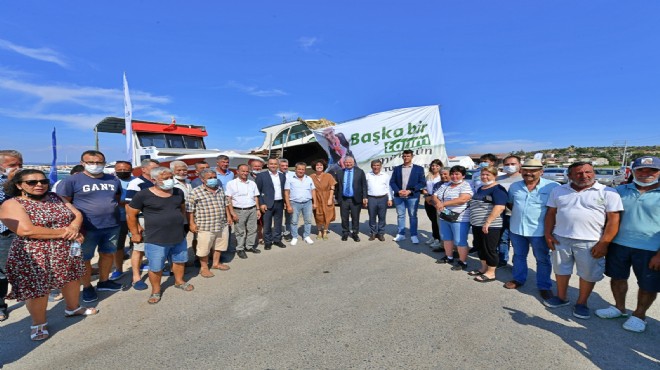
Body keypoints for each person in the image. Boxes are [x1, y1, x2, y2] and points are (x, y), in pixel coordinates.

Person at [0, 169, 97, 340]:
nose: (39, 185)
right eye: (32, 182)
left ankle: (73, 308)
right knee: (38, 288)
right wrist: (66, 232)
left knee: (71, 278)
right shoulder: (11, 204)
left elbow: (77, 214)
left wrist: (74, 228)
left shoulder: (55, 197)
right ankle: (38, 323)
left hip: (66, 249)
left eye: (43, 181)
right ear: (19, 185)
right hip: (33, 253)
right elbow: (26, 230)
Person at [544, 162, 623, 319]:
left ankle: (582, 303)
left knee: (588, 274)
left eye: (588, 172)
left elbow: (614, 220)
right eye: (579, 173)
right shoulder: (558, 190)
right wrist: (548, 234)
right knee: (561, 270)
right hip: (561, 238)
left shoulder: (608, 192)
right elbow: (551, 214)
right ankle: (561, 297)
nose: (585, 176)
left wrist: (604, 243)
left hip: (591, 241)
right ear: (570, 176)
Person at [595, 156, 660, 332]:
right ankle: (619, 308)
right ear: (633, 171)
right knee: (617, 278)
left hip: (651, 249)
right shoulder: (619, 190)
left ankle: (639, 315)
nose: (646, 174)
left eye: (652, 170)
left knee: (648, 285)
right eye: (641, 170)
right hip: (619, 244)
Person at [57, 150, 123, 303]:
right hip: (86, 229)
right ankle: (87, 287)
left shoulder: (113, 180)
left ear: (104, 163)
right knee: (84, 259)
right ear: (82, 163)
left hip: (111, 225)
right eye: (91, 162)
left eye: (99, 162)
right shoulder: (71, 181)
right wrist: (72, 227)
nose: (95, 165)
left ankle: (104, 281)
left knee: (107, 254)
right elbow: (64, 204)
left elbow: (116, 198)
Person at [127, 167, 193, 304]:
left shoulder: (178, 192)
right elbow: (131, 214)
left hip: (178, 236)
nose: (170, 181)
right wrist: (134, 233)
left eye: (171, 177)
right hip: (156, 239)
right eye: (165, 179)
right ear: (153, 180)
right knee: (156, 266)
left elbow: (181, 208)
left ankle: (179, 281)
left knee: (179, 261)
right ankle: (156, 290)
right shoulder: (143, 195)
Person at [505, 159, 559, 302]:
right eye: (526, 170)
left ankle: (544, 286)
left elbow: (557, 209)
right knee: (518, 256)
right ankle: (518, 279)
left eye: (533, 170)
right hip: (517, 229)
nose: (529, 173)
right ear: (521, 171)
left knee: (542, 259)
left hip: (540, 231)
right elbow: (511, 204)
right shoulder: (515, 186)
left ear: (541, 171)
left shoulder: (553, 186)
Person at [187, 169, 232, 278]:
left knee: (219, 245)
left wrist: (229, 216)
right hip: (205, 226)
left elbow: (226, 203)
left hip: (221, 224)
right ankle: (204, 268)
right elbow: (189, 210)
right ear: (202, 179)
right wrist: (191, 223)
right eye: (210, 178)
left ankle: (216, 263)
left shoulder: (220, 189)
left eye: (214, 177)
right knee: (204, 248)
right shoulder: (195, 192)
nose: (213, 179)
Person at [466, 166, 508, 282]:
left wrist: (488, 222)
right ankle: (483, 268)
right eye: (482, 175)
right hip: (477, 224)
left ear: (495, 176)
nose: (484, 177)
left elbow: (499, 207)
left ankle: (491, 273)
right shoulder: (481, 188)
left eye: (487, 175)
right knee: (480, 247)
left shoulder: (498, 189)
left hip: (491, 225)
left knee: (489, 249)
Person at [124, 159, 160, 290]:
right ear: (144, 169)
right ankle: (136, 277)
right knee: (138, 249)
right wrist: (135, 227)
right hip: (141, 219)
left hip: (156, 220)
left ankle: (155, 270)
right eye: (154, 168)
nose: (157, 170)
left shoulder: (157, 181)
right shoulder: (136, 183)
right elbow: (128, 206)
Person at [433, 165, 473, 271]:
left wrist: (444, 203)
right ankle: (449, 257)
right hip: (444, 216)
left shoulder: (466, 185)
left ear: (463, 175)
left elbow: (463, 199)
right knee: (447, 239)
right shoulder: (445, 185)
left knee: (460, 241)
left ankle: (462, 261)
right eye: (452, 174)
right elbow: (435, 196)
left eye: (457, 174)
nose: (454, 176)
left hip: (459, 219)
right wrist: (438, 204)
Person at [0, 149, 23, 322]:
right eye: (12, 165)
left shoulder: (21, 181)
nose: (17, 168)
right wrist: (9, 183)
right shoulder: (8, 183)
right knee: (3, 272)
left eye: (20, 165)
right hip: (4, 233)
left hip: (21, 230)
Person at [389, 150, 427, 244]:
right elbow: (392, 182)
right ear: (402, 157)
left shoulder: (419, 169)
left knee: (413, 216)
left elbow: (422, 182)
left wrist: (410, 191)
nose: (406, 158)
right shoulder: (397, 168)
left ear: (412, 156)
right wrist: (398, 191)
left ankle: (414, 235)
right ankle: (401, 234)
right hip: (399, 196)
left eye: (408, 156)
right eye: (404, 156)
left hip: (412, 196)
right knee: (401, 215)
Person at [225, 164, 261, 259]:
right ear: (237, 171)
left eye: (247, 171)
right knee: (240, 231)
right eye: (243, 171)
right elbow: (228, 199)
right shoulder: (231, 184)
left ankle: (249, 246)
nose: (245, 173)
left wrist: (257, 209)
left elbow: (255, 197)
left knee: (252, 229)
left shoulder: (252, 183)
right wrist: (232, 213)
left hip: (252, 209)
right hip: (239, 210)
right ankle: (240, 248)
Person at [494, 155, 523, 268]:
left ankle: (518, 262)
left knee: (517, 241)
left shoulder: (523, 179)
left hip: (517, 214)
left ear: (519, 165)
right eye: (506, 164)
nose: (509, 166)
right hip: (501, 213)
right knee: (503, 238)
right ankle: (502, 259)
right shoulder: (498, 179)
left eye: (512, 164)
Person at [110, 161, 135, 281]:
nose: (123, 171)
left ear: (131, 169)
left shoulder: (136, 181)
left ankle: (137, 265)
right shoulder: (111, 182)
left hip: (135, 218)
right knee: (118, 246)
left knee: (136, 244)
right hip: (117, 220)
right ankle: (118, 269)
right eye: (120, 169)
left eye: (126, 169)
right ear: (115, 170)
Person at [256, 158, 287, 250]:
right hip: (266, 204)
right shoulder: (261, 176)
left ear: (278, 165)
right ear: (268, 165)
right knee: (267, 224)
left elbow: (283, 190)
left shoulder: (282, 176)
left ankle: (277, 240)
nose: (273, 165)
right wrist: (261, 203)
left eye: (275, 164)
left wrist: (285, 202)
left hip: (279, 202)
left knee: (278, 223)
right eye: (271, 164)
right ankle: (268, 242)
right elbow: (257, 191)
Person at [334, 156, 367, 242]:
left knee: (355, 217)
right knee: (344, 217)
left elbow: (364, 185)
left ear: (353, 163)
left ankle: (355, 233)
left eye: (350, 162)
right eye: (346, 162)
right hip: (344, 199)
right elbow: (337, 186)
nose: (348, 164)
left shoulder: (359, 172)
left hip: (355, 199)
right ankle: (345, 232)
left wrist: (365, 197)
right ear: (344, 163)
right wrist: (337, 198)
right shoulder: (340, 172)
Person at [285, 162, 317, 245]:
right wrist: (288, 205)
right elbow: (286, 192)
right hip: (294, 203)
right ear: (295, 169)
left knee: (308, 221)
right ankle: (294, 237)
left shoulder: (309, 178)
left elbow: (313, 191)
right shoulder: (290, 178)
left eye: (303, 169)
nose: (301, 171)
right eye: (299, 169)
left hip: (308, 202)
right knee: (294, 221)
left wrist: (315, 202)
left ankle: (306, 236)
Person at [365, 159, 392, 241]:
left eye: (377, 165)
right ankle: (373, 233)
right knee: (372, 216)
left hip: (383, 198)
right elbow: (364, 188)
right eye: (374, 165)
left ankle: (380, 233)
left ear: (380, 166)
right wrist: (365, 198)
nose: (376, 167)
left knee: (382, 217)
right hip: (371, 198)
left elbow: (388, 188)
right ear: (371, 166)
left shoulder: (385, 176)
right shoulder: (367, 175)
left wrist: (390, 199)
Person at [310, 159, 336, 240]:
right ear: (315, 166)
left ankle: (325, 231)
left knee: (327, 215)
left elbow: (332, 187)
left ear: (323, 166)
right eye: (317, 165)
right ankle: (319, 231)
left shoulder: (328, 176)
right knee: (318, 215)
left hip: (327, 197)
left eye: (321, 165)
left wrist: (330, 199)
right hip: (316, 198)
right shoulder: (311, 177)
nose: (319, 167)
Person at [423, 159, 444, 248]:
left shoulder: (441, 176)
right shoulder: (428, 176)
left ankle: (438, 239)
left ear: (440, 167)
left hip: (437, 200)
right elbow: (424, 187)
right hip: (428, 200)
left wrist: (432, 198)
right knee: (432, 220)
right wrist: (425, 194)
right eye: (433, 165)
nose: (434, 167)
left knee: (437, 221)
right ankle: (434, 236)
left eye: (437, 166)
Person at [279, 159, 295, 241]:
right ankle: (278, 233)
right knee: (278, 218)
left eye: (286, 165)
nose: (285, 167)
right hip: (278, 199)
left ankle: (288, 233)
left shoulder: (293, 174)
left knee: (289, 217)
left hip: (289, 198)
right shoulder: (275, 175)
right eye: (282, 166)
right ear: (279, 166)